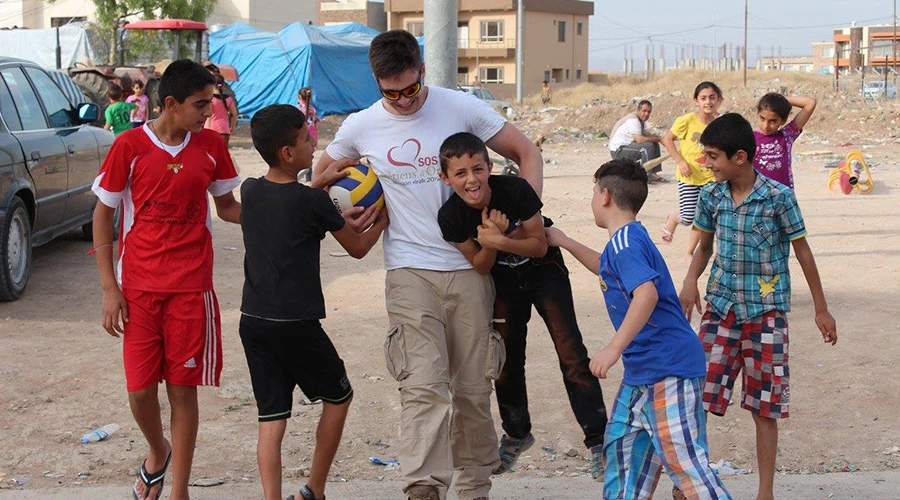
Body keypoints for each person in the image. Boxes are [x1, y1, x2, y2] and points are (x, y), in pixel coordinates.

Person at [311, 29, 542, 500]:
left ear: (422, 70)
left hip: (471, 268)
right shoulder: (361, 125)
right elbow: (319, 177)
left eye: (410, 89)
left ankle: (475, 485)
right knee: (422, 385)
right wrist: (346, 206)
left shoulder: (461, 108)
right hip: (408, 269)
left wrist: (524, 220)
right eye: (389, 92)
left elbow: (526, 152)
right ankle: (424, 486)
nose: (401, 101)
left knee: (472, 387)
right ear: (376, 83)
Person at [90, 59, 242, 500]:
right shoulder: (129, 146)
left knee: (182, 390)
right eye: (200, 104)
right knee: (139, 392)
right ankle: (158, 450)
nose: (208, 111)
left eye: (211, 101)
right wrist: (108, 288)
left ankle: (179, 491)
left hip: (191, 289)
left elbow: (228, 208)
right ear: (170, 104)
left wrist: (279, 211)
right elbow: (103, 214)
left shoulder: (212, 145)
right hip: (138, 289)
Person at [546, 158, 731, 500]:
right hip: (643, 374)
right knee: (623, 455)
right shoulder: (630, 238)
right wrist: (566, 242)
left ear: (604, 196)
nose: (591, 200)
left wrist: (613, 348)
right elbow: (606, 268)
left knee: (687, 468)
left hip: (667, 369)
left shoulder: (626, 244)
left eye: (592, 192)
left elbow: (644, 293)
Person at [679, 113, 837, 500]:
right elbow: (704, 246)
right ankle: (689, 483)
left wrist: (821, 308)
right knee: (697, 396)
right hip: (719, 308)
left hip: (766, 314)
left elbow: (803, 253)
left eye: (713, 157)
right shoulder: (710, 195)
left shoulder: (779, 197)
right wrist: (688, 282)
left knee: (764, 407)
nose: (707, 164)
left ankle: (765, 492)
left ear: (740, 157)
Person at [435, 132, 609, 480]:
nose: (472, 180)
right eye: (460, 173)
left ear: (489, 167)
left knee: (571, 353)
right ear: (445, 178)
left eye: (478, 169)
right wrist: (493, 245)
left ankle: (599, 441)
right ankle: (517, 433)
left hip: (545, 273)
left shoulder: (515, 191)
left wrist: (497, 239)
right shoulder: (450, 217)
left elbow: (540, 245)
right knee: (505, 361)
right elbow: (482, 265)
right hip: (501, 282)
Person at [241, 104, 388, 500]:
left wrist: (317, 181)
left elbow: (286, 202)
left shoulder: (250, 191)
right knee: (339, 397)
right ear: (288, 153)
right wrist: (385, 218)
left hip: (253, 321)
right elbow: (357, 247)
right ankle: (314, 490)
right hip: (297, 325)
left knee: (271, 420)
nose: (315, 143)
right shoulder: (314, 204)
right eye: (307, 139)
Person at [661, 81, 722, 261]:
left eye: (712, 97)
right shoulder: (686, 121)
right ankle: (673, 218)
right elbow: (667, 139)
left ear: (718, 99)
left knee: (704, 217)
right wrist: (680, 161)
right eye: (703, 98)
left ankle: (689, 251)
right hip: (688, 177)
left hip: (711, 178)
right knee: (688, 217)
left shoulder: (721, 122)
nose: (708, 102)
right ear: (696, 101)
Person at [754, 93, 817, 190]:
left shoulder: (787, 135)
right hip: (759, 197)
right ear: (758, 115)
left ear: (783, 121)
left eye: (772, 121)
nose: (765, 125)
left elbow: (810, 103)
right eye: (762, 119)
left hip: (784, 197)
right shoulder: (749, 138)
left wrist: (779, 100)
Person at [608, 100, 667, 183]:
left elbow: (647, 134)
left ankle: (653, 173)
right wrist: (660, 139)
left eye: (649, 112)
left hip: (628, 146)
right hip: (618, 150)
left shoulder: (642, 120)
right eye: (644, 111)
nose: (646, 114)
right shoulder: (633, 120)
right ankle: (644, 175)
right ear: (638, 110)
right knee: (647, 147)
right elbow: (639, 139)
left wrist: (662, 140)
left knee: (654, 143)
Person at [205, 75, 238, 148]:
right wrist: (232, 127)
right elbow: (234, 114)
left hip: (211, 129)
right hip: (225, 130)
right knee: (223, 154)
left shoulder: (210, 98)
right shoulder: (228, 98)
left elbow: (208, 114)